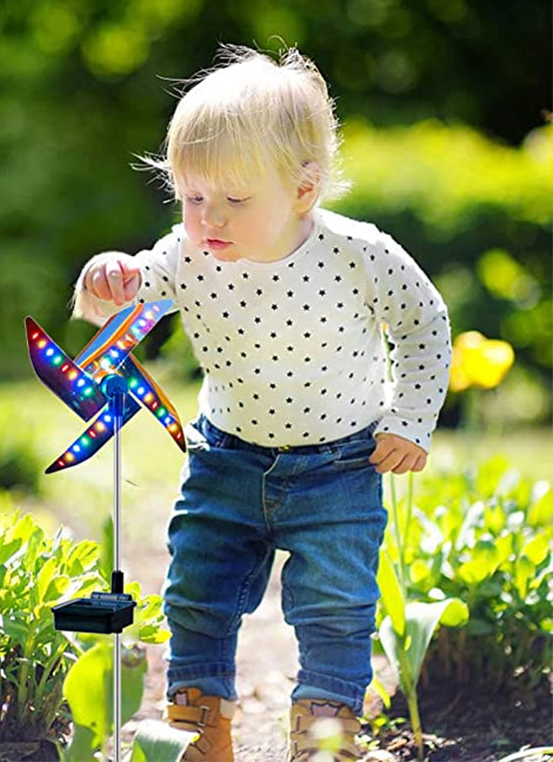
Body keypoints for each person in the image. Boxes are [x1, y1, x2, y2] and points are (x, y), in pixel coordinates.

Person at [72, 45, 451, 762]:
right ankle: (196, 719)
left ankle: (325, 728)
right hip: (226, 458)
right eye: (191, 197)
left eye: (233, 200)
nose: (207, 217)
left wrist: (408, 418)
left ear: (302, 190)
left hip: (340, 465)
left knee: (336, 606)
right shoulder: (186, 254)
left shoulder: (357, 253)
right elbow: (119, 308)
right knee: (196, 588)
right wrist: (103, 282)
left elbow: (423, 322)